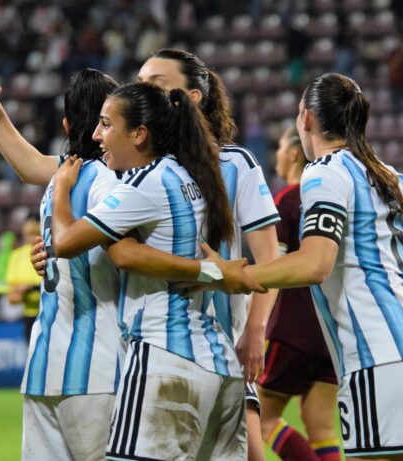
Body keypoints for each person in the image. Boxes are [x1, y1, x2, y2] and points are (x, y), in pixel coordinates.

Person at [0, 44, 260, 461]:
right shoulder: (140, 176)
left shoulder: (97, 180)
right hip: (127, 361)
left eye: (107, 124)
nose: (100, 133)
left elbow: (104, 245)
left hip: (93, 361)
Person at [244, 73, 403, 461]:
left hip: (382, 359)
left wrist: (238, 275)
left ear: (306, 117)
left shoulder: (324, 171)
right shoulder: (397, 181)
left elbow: (316, 264)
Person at [51, 82, 246, 460]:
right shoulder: (189, 175)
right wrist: (209, 272)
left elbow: (65, 242)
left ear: (139, 134)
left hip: (165, 356)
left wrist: (62, 189)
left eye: (107, 125)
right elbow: (127, 252)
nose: (96, 135)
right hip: (218, 362)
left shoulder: (143, 185)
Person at [137, 48, 281, 461]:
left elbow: (270, 260)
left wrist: (255, 329)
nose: (144, 93)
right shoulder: (137, 170)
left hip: (224, 345)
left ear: (193, 96)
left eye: (156, 85)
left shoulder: (235, 164)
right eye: (140, 85)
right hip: (156, 345)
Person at [257, 127, 340, 461]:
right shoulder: (330, 198)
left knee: (262, 418)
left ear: (293, 153)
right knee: (321, 426)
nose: (276, 155)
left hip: (293, 330)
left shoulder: (287, 201)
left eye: (279, 148)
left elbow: (273, 269)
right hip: (332, 332)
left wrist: (256, 325)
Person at [4, 218, 43, 342]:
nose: (29, 238)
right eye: (26, 234)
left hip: (52, 313)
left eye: (34, 233)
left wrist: (29, 287)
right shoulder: (16, 256)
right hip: (30, 315)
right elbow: (12, 297)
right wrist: (23, 290)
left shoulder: (51, 252)